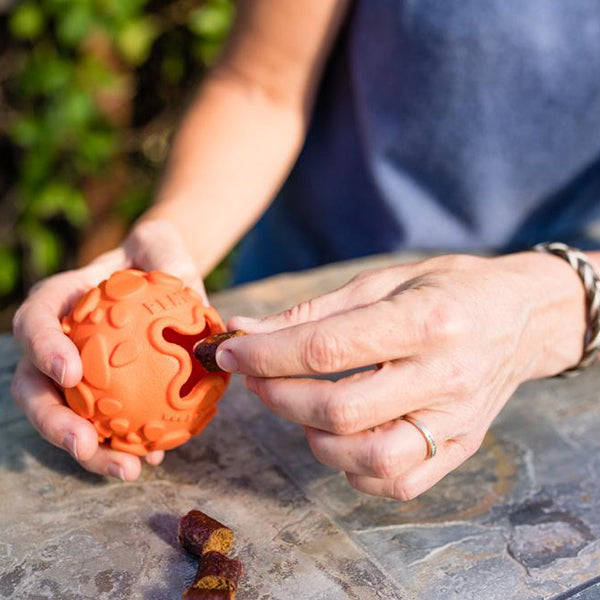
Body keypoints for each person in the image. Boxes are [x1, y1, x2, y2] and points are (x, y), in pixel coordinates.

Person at [10, 0, 600, 499]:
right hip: (291, 296)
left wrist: (552, 308)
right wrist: (163, 248)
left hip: (564, 362)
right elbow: (261, 85)